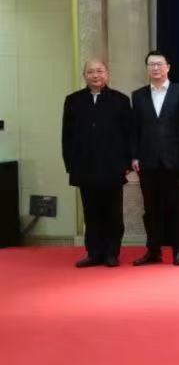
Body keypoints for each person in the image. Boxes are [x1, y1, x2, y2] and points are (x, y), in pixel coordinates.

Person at [62, 59, 132, 268]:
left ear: (107, 74)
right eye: (90, 72)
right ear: (84, 75)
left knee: (113, 213)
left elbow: (128, 134)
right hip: (85, 167)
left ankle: (111, 253)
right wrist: (70, 164)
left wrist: (126, 163)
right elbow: (67, 136)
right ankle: (93, 253)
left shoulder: (120, 100)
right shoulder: (73, 100)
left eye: (99, 71)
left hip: (113, 167)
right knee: (90, 213)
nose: (95, 75)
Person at [130, 50, 179, 266]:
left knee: (176, 207)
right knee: (151, 209)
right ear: (147, 68)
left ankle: (178, 250)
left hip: (175, 160)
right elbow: (135, 129)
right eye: (151, 65)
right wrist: (134, 155)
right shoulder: (138, 95)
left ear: (168, 67)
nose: (155, 68)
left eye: (159, 64)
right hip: (147, 160)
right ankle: (153, 250)